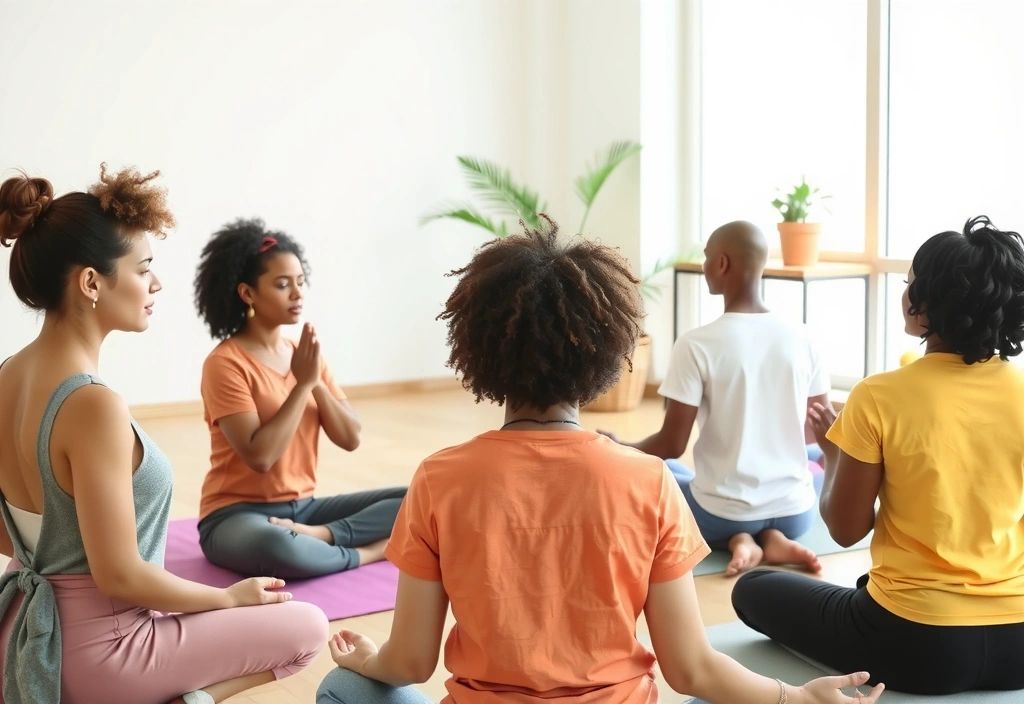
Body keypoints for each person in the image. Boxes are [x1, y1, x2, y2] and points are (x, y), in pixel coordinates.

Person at [314, 217, 883, 704]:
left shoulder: (439, 478)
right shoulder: (649, 480)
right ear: (607, 350)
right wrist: (795, 694)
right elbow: (692, 669)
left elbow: (410, 664)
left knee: (341, 690)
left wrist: (367, 659)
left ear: (479, 347)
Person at [0, 166, 326, 704]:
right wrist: (226, 599)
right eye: (144, 268)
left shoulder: (8, 376)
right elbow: (120, 577)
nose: (156, 285)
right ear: (90, 282)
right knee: (308, 628)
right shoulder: (92, 405)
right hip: (99, 654)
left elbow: (10, 537)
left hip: (20, 628)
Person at [732, 215, 1024, 696]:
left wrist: (830, 452)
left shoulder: (880, 395)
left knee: (754, 589)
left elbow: (846, 529)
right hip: (1018, 645)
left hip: (917, 643)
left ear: (924, 301)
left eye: (910, 283)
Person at [603, 221, 829, 576]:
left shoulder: (697, 343)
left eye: (707, 257)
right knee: (811, 465)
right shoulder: (804, 337)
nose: (705, 265)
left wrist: (621, 447)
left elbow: (671, 444)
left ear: (722, 264)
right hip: (796, 513)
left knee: (664, 470)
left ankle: (740, 537)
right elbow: (814, 433)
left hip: (718, 518)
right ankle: (770, 537)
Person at [193, 218, 406, 579]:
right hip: (236, 516)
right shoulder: (224, 363)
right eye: (282, 285)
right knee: (278, 546)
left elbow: (350, 438)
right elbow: (260, 456)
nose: (297, 294)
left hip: (305, 511)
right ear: (247, 294)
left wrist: (313, 380)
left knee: (418, 498)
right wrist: (303, 385)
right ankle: (368, 553)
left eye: (300, 283)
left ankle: (326, 537)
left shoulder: (304, 356)